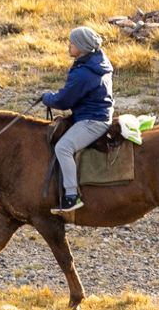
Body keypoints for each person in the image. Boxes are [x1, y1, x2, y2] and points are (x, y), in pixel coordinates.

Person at [41, 26, 114, 214]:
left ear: (81, 46)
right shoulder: (96, 62)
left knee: (63, 147)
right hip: (96, 113)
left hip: (93, 120)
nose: (69, 45)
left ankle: (72, 196)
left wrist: (47, 98)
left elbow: (63, 101)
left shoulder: (84, 72)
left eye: (72, 43)